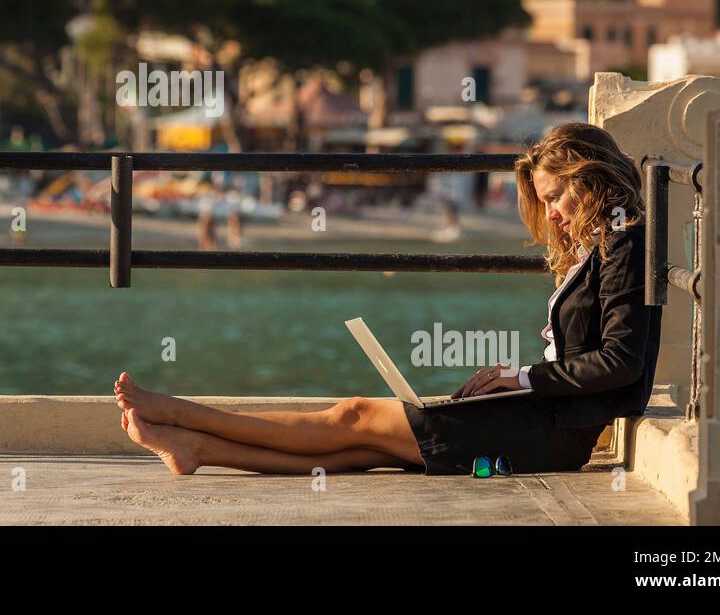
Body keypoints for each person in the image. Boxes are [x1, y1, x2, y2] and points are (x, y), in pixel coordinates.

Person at [113, 121, 663, 476]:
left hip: (554, 432)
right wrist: (515, 380)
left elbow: (620, 361)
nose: (555, 213)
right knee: (365, 450)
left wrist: (518, 378)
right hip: (543, 417)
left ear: (589, 177)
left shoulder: (626, 243)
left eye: (557, 195)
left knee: (354, 415)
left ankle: (179, 411)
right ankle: (200, 450)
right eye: (546, 201)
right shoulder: (602, 244)